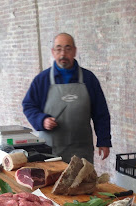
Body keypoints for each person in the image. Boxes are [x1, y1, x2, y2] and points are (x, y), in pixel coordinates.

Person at [22, 33, 111, 163]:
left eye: (67, 49)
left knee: (82, 177)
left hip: (82, 150)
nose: (63, 54)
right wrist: (42, 120)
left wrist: (104, 140)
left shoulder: (89, 79)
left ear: (74, 51)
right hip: (50, 151)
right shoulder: (42, 80)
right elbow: (29, 106)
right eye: (58, 49)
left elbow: (101, 113)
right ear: (53, 52)